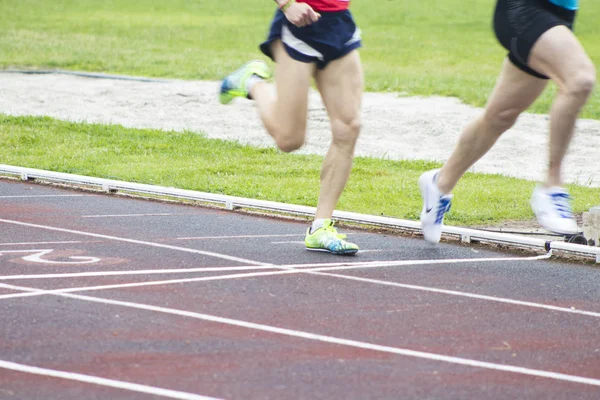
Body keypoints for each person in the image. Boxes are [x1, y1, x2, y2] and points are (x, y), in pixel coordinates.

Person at [419, 0, 596, 244]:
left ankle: (440, 184)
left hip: (561, 13)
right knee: (579, 80)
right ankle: (551, 186)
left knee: (500, 117)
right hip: (523, 9)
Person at [219, 0, 364, 255]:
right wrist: (286, 4)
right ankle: (253, 83)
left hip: (338, 22)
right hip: (297, 24)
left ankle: (321, 226)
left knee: (348, 127)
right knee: (289, 140)